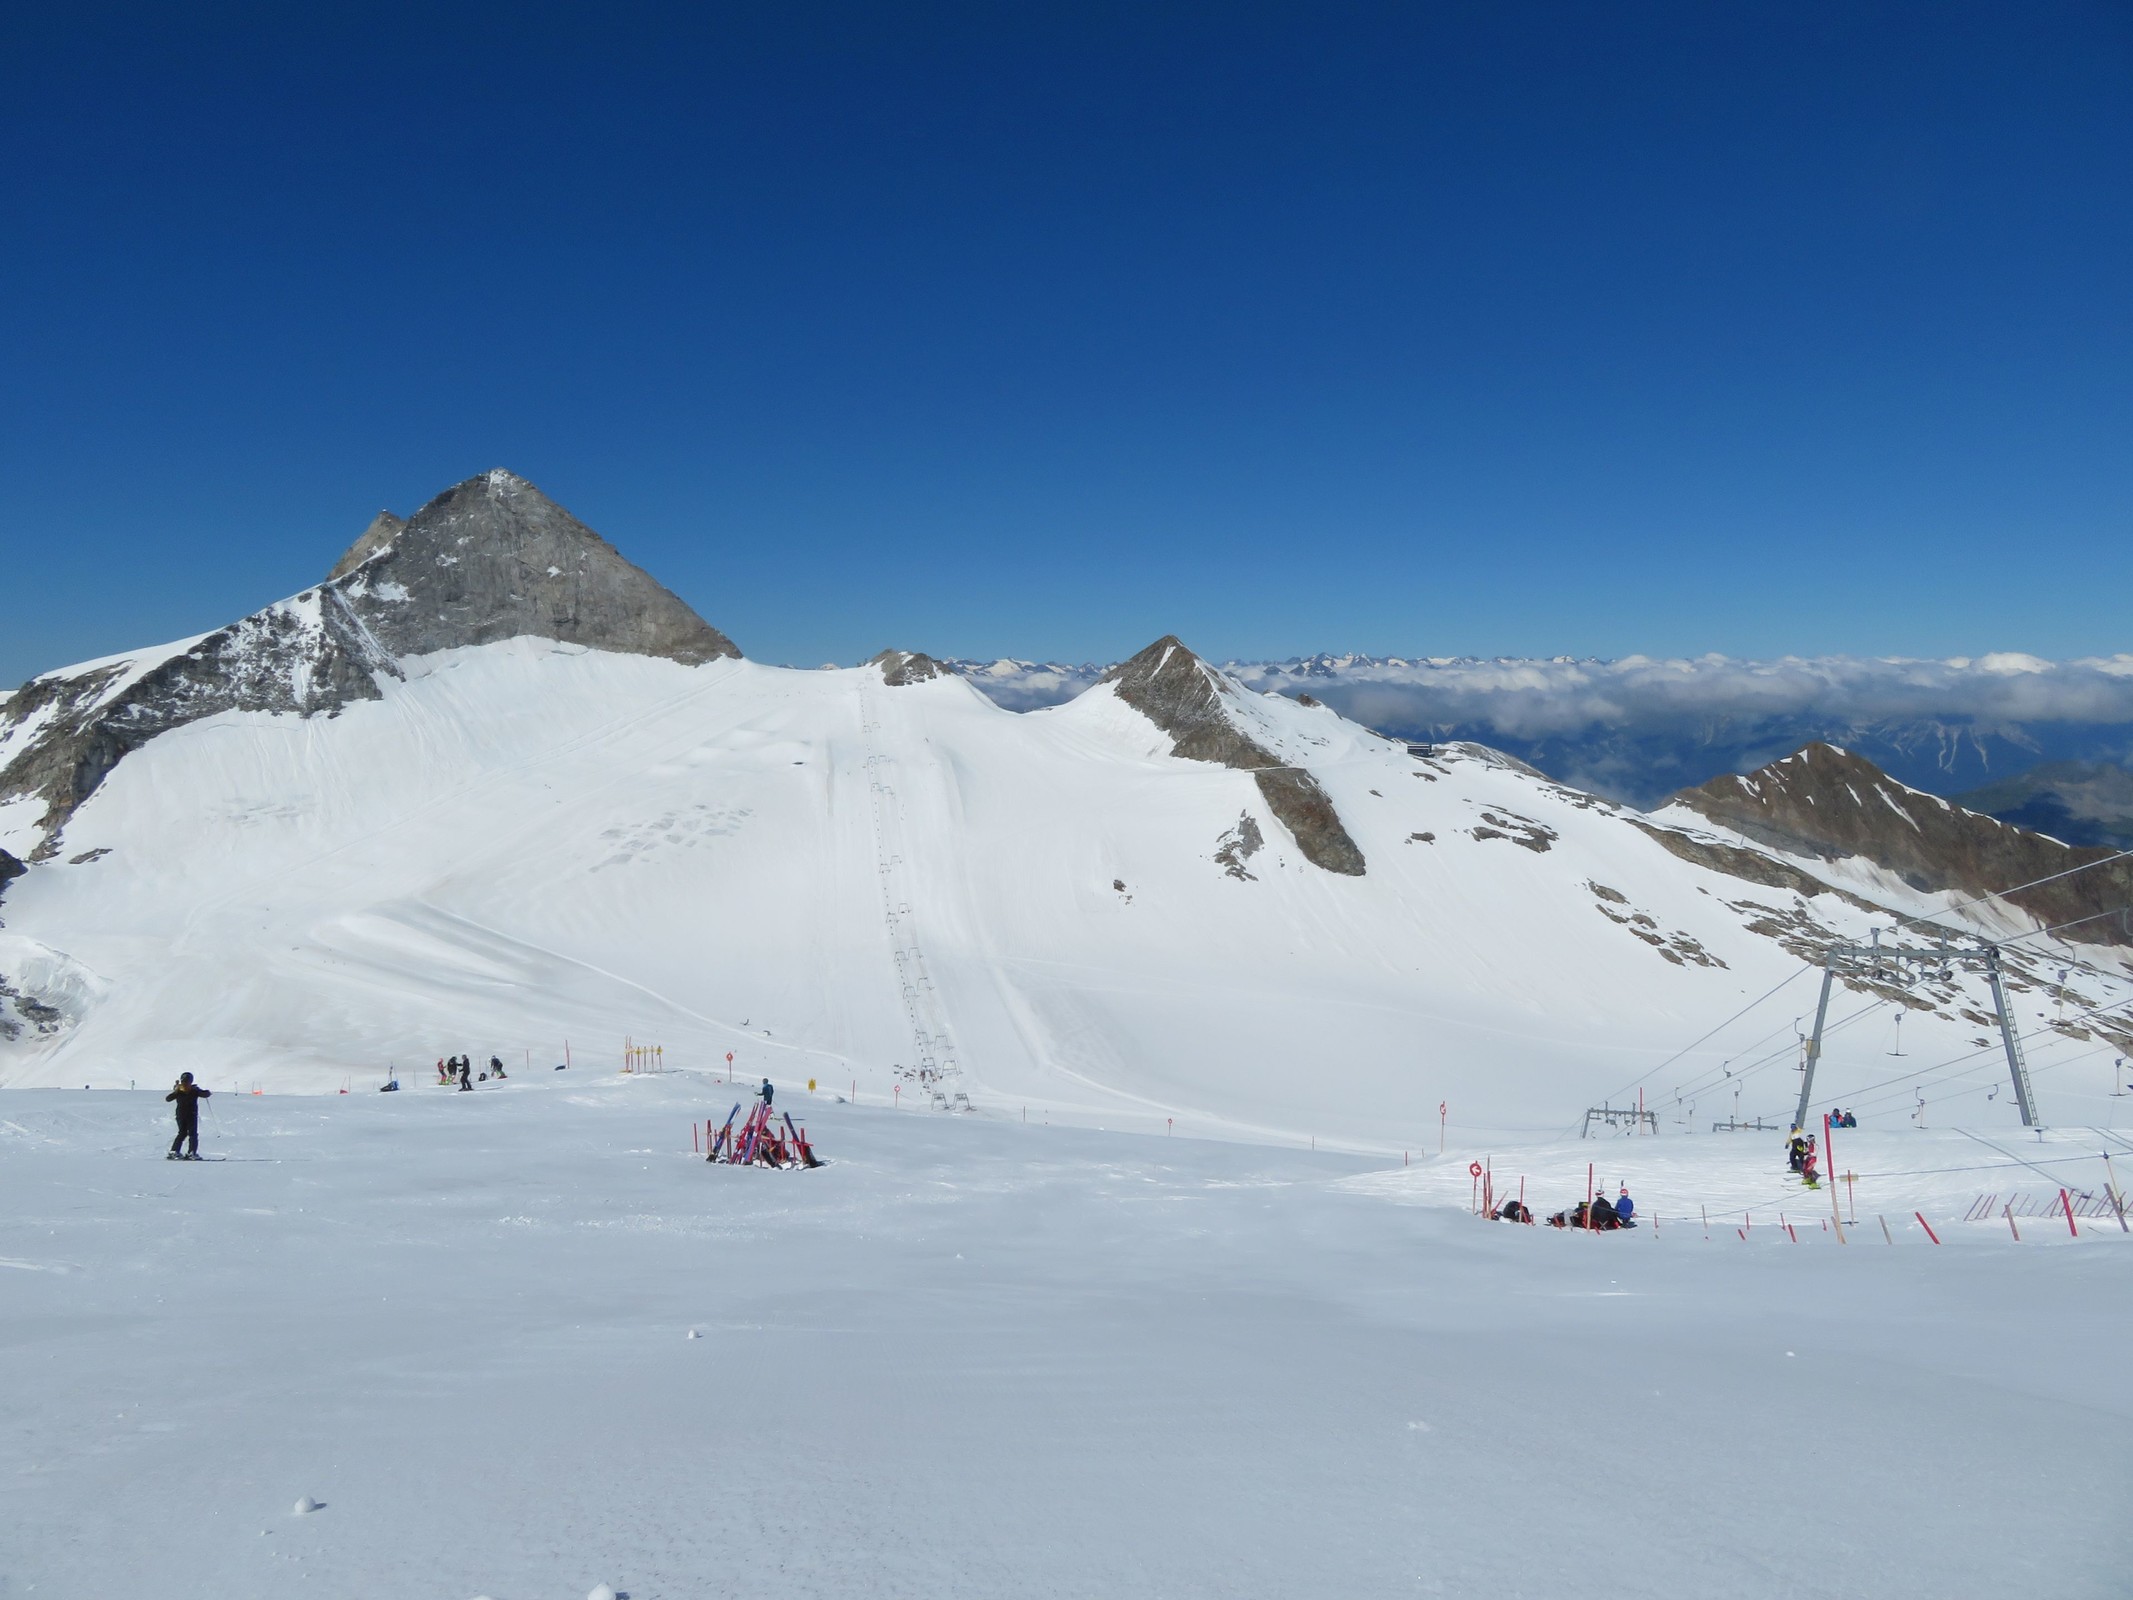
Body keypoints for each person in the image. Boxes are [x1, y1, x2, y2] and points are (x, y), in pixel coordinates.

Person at [165, 1072, 212, 1159]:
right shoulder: (194, 1090)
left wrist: (175, 1091)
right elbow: (205, 1094)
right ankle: (191, 1152)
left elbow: (168, 1099)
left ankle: (174, 1151)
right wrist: (207, 1092)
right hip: (191, 1114)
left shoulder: (179, 1090)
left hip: (180, 1114)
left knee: (182, 1133)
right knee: (192, 1134)